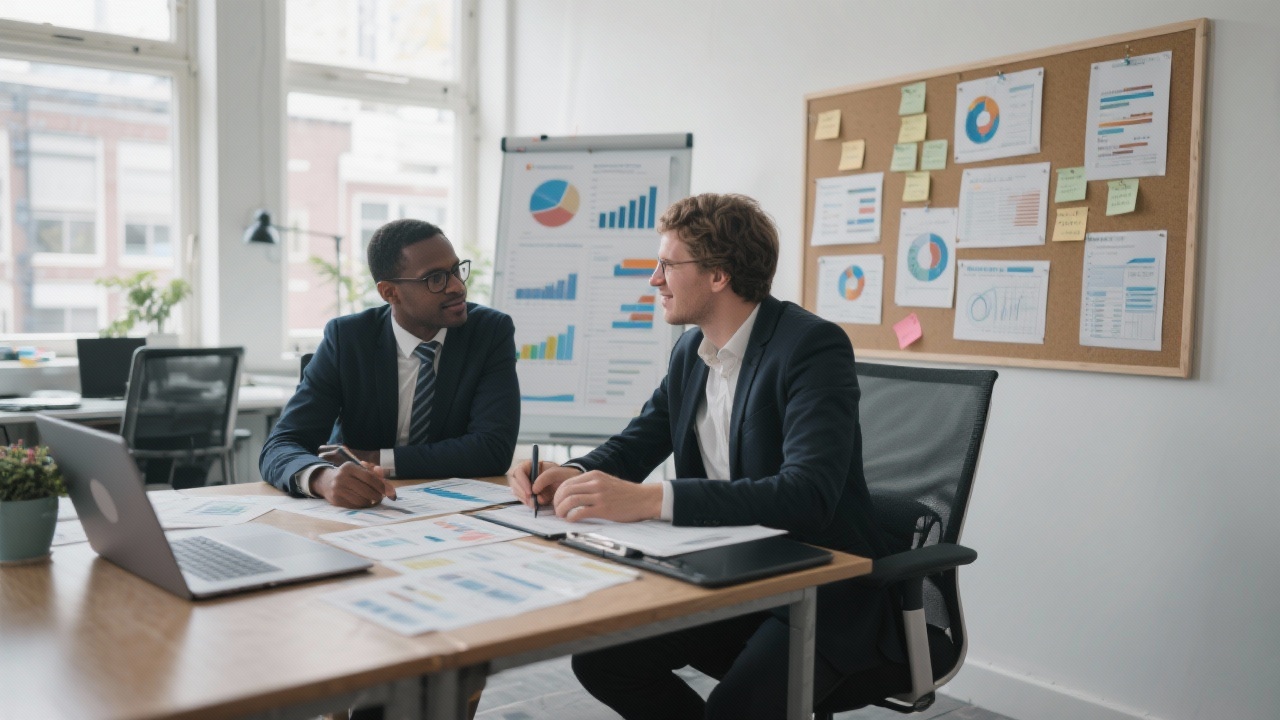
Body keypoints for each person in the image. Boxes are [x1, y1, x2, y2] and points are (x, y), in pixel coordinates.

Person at [507, 193, 904, 719]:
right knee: (604, 660)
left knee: (734, 710)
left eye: (668, 265)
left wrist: (651, 501)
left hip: (821, 589)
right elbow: (637, 442)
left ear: (719, 274)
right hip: (733, 573)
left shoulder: (810, 348)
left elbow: (807, 496)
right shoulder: (690, 352)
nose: (654, 280)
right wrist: (571, 472)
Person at [261, 218, 520, 508]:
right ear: (389, 292)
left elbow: (492, 449)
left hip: (451, 507)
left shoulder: (489, 332)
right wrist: (323, 478)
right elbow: (280, 446)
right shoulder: (348, 339)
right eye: (436, 278)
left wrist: (374, 458)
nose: (457, 287)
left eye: (456, 270)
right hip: (363, 509)